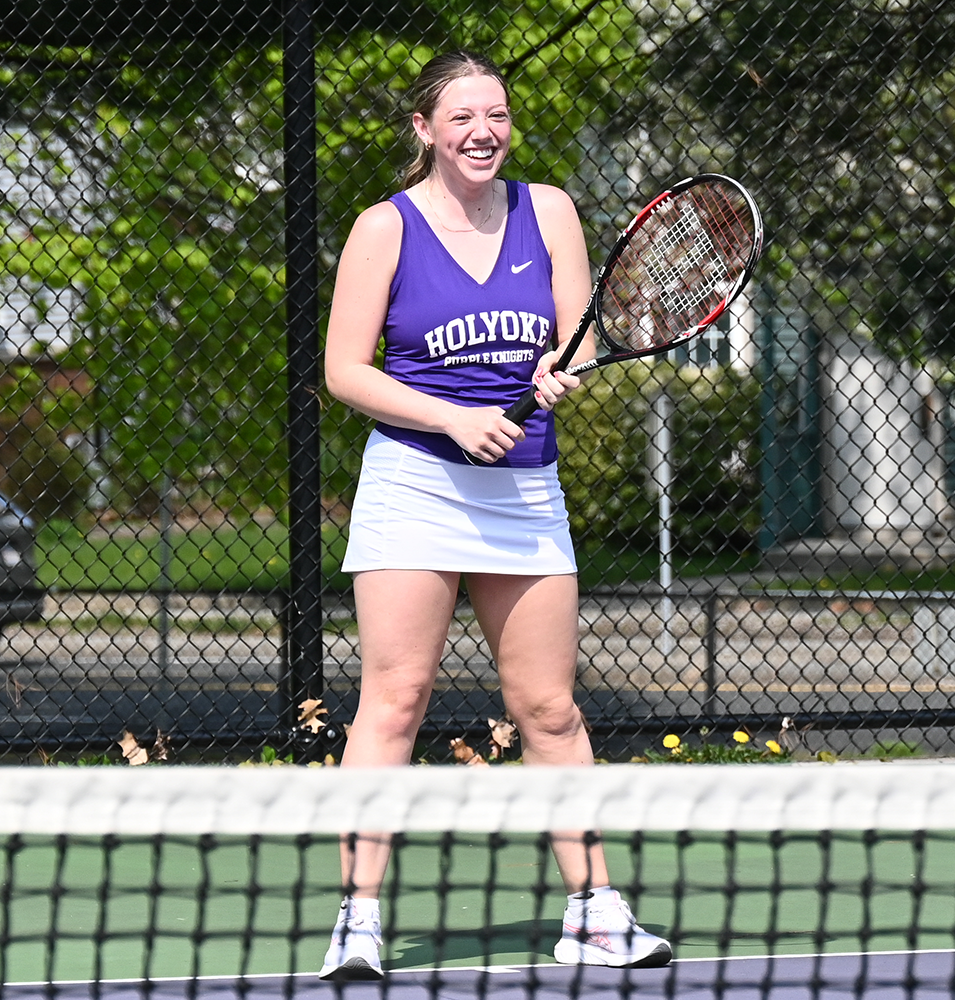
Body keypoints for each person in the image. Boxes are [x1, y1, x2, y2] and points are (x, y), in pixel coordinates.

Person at [311, 51, 673, 982]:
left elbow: (581, 329)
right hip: (416, 483)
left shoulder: (546, 209)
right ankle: (357, 922)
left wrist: (563, 365)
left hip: (524, 490)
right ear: (425, 129)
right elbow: (344, 371)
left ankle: (594, 911)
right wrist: (451, 417)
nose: (483, 131)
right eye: (462, 116)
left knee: (549, 708)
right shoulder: (381, 229)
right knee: (394, 702)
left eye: (497, 114)